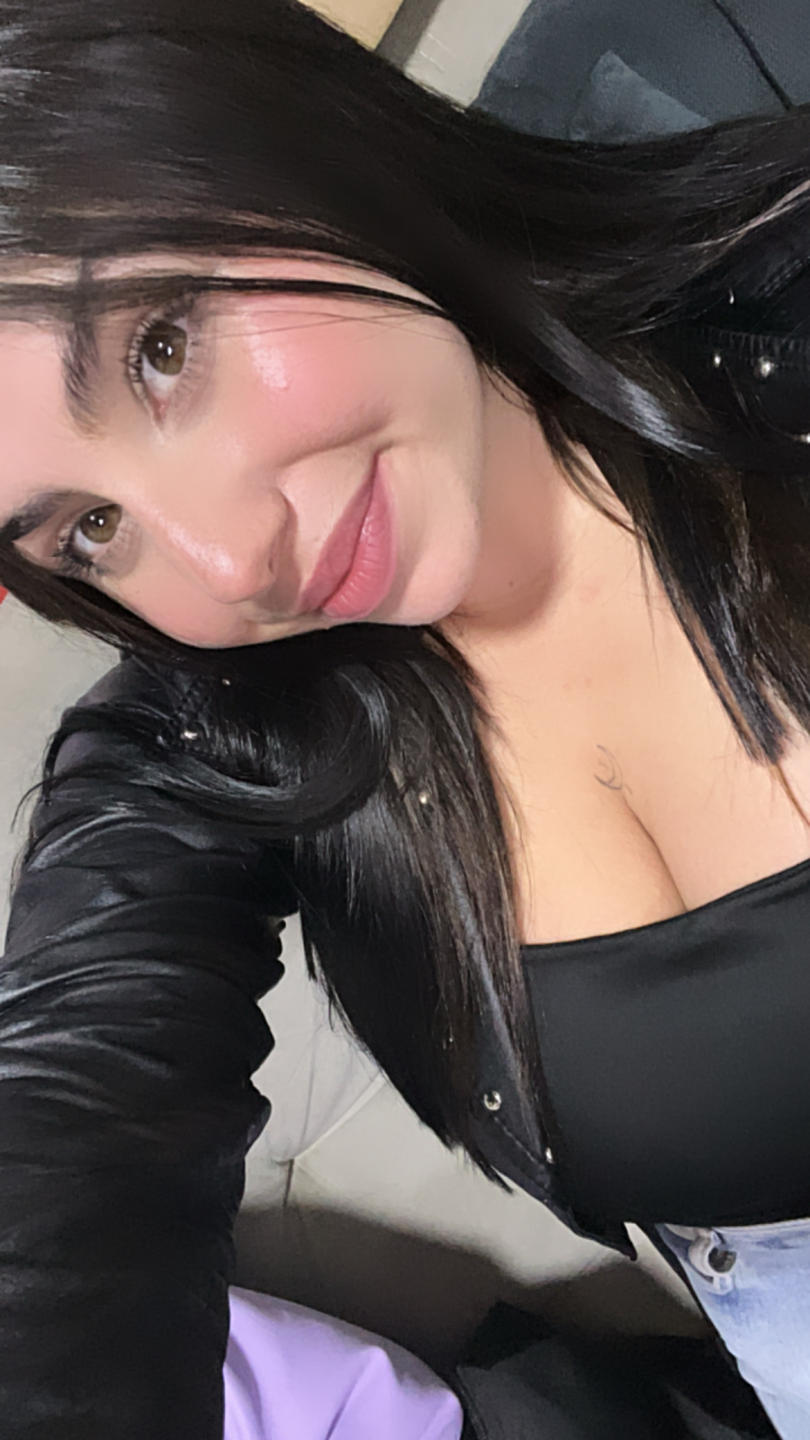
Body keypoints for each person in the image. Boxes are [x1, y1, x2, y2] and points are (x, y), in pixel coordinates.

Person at [1, 0, 810, 1434]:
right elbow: (72, 1123)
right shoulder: (227, 738)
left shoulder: (770, 304)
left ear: (276, 141)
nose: (229, 562)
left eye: (161, 349)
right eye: (91, 529)